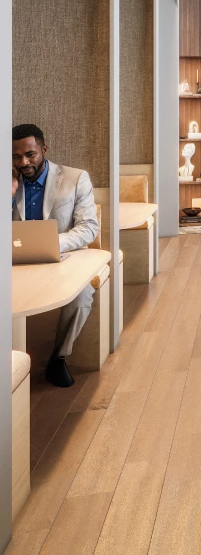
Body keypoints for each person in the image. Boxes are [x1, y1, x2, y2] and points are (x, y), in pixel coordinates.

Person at [12, 125, 100, 387]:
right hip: (16, 261)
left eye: (31, 154)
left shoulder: (75, 178)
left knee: (83, 293)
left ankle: (59, 358)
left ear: (44, 150)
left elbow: (88, 228)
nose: (24, 162)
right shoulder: (8, 182)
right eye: (17, 157)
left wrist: (52, 242)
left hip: (64, 257)